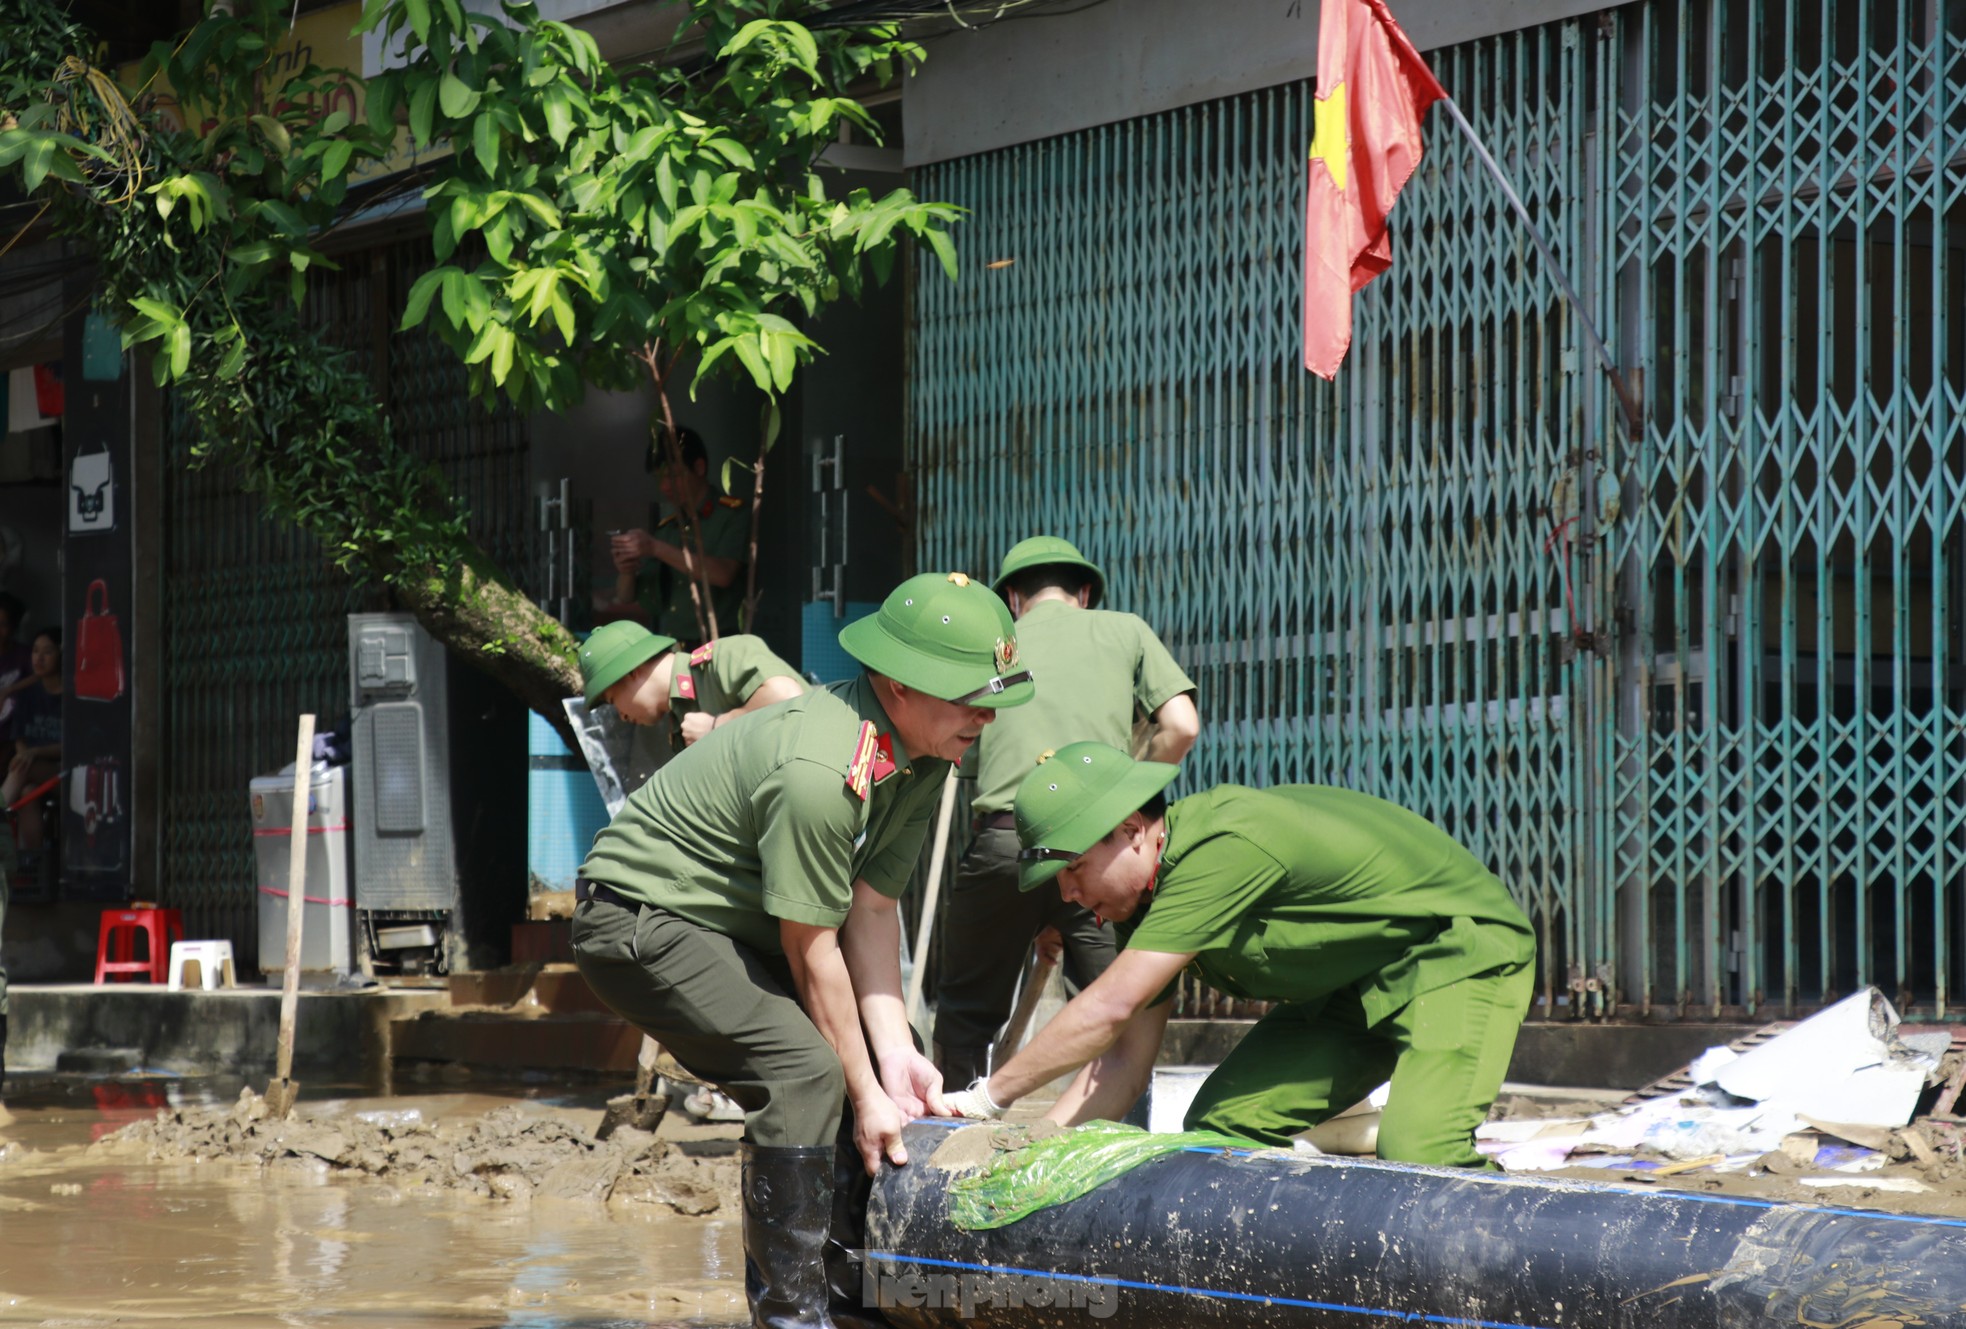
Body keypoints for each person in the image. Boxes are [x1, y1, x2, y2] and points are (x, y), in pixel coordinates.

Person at [570, 572, 1034, 1328]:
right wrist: (862, 1088)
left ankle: (858, 1305)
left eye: (992, 697)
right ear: (898, 684)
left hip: (732, 924)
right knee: (804, 1072)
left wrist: (892, 1058)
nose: (986, 715)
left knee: (894, 1065)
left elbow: (873, 907)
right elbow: (810, 941)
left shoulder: (925, 754)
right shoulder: (824, 769)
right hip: (640, 920)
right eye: (968, 695)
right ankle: (792, 1316)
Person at [944, 742, 1536, 1168]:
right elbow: (1122, 1065)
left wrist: (986, 1099)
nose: (1069, 895)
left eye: (1073, 869)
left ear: (1130, 830)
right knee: (1221, 1132)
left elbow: (1108, 1009)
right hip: (1353, 987)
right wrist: (1035, 1144)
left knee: (1420, 1156)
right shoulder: (1143, 902)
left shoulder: (1219, 849)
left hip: (1454, 954)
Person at [932, 536, 1198, 1088]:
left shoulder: (994, 644)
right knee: (1120, 1017)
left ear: (1012, 598)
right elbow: (1182, 726)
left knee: (964, 1018)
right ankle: (1116, 1156)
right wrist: (1125, 791)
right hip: (1100, 847)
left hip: (1007, 843)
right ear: (1083, 593)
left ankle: (947, 1145)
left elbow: (959, 753)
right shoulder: (1124, 629)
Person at [605, 425, 749, 645]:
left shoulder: (731, 515)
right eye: (659, 478)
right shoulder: (668, 528)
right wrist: (626, 569)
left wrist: (655, 548)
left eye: (674, 476)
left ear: (699, 468)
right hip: (675, 648)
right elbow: (627, 597)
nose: (665, 486)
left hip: (721, 647)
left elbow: (723, 574)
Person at [577, 620, 806, 750]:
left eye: (612, 700)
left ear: (632, 671)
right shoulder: (678, 723)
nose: (622, 716)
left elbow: (786, 696)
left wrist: (717, 726)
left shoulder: (720, 659)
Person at [1, 628, 61, 869]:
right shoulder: (28, 695)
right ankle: (34, 864)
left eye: (47, 652)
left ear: (61, 655)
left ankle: (1, 803)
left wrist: (33, 753)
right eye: (35, 651)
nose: (39, 658)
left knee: (25, 765)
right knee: (27, 792)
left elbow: (75, 745)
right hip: (32, 771)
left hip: (65, 773)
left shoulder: (72, 696)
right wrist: (26, 751)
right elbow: (19, 739)